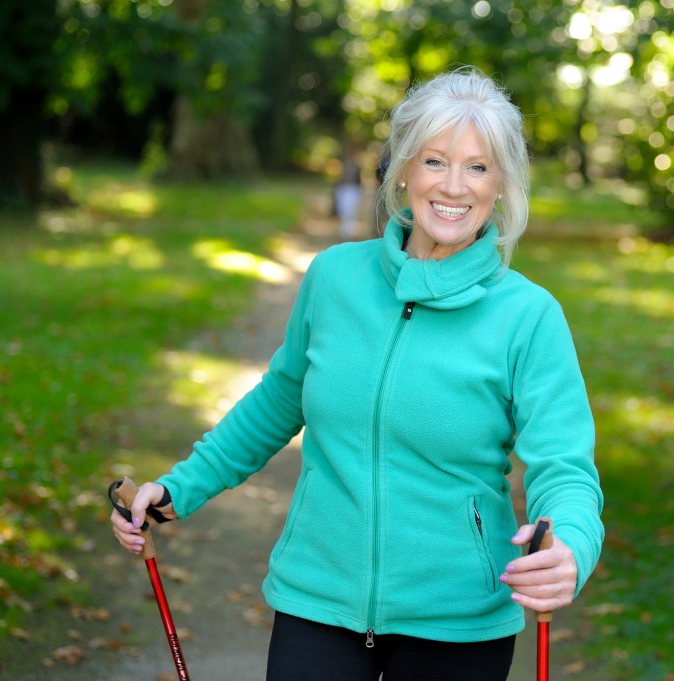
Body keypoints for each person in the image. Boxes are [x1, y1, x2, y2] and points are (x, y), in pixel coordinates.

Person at [111, 66, 605, 681]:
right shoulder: (334, 278)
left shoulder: (528, 317)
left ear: (502, 182)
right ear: (401, 168)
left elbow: (564, 467)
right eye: (434, 160)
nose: (454, 185)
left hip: (456, 622)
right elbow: (276, 403)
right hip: (318, 601)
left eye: (478, 166)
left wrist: (570, 548)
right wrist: (178, 489)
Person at [334, 143, 363, 241]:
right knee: (344, 209)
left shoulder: (357, 166)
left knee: (351, 210)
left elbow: (359, 180)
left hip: (353, 189)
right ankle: (344, 231)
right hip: (344, 188)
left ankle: (349, 231)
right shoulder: (343, 165)